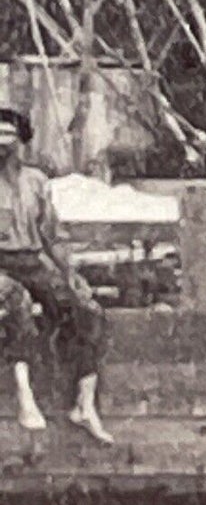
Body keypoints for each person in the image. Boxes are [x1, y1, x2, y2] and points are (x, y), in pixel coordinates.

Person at [0, 108, 111, 443]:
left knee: (84, 310)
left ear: (21, 142)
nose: (3, 145)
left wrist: (70, 274)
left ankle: (84, 403)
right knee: (16, 305)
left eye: (9, 137)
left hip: (32, 261)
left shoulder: (35, 181)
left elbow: (51, 234)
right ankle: (25, 397)